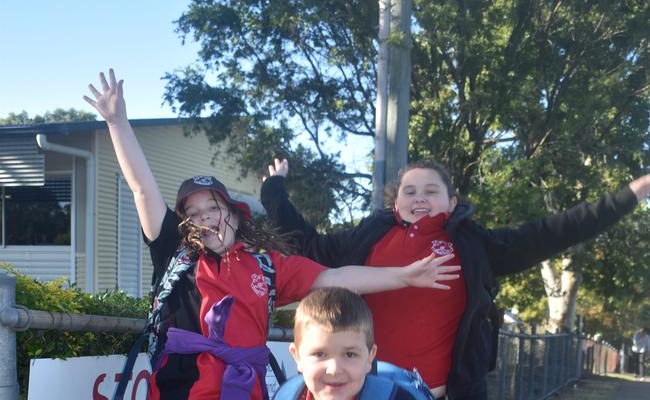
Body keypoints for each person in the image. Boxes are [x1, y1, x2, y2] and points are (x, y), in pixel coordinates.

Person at [83, 70, 461, 400]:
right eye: (194, 214)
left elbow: (336, 277)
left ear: (234, 213)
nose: (205, 218)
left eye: (213, 208)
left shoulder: (266, 267)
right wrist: (117, 122)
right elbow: (143, 189)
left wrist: (404, 276)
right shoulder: (174, 255)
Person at [261, 158, 650, 400]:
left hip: (438, 393)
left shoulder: (476, 244)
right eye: (409, 191)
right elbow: (307, 243)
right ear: (395, 203)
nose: (419, 197)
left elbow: (554, 231)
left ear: (451, 202)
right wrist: (274, 188)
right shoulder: (366, 237)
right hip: (363, 391)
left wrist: (633, 193)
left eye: (432, 191)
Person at [274, 287, 435, 400]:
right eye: (319, 354)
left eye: (350, 354)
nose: (334, 370)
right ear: (297, 356)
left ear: (370, 358)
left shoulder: (396, 397)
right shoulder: (286, 395)